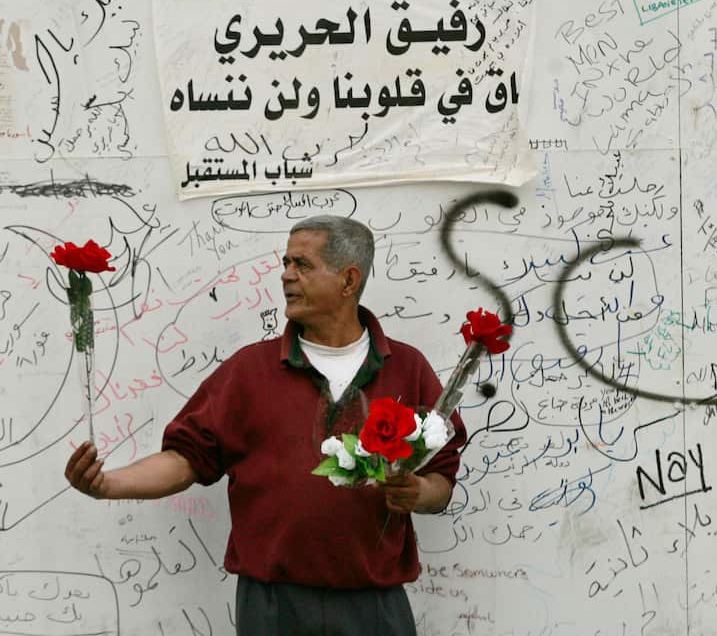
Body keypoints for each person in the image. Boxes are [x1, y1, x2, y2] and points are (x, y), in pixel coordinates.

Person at [65, 215, 467, 635]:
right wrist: (107, 485)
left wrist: (418, 493)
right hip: (273, 606)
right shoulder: (250, 371)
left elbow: (441, 482)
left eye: (302, 265)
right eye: (285, 263)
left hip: (375, 603)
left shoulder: (407, 368)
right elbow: (186, 460)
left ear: (349, 281)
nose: (286, 276)